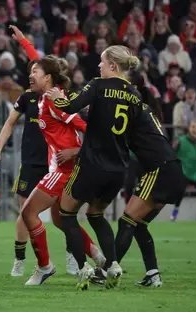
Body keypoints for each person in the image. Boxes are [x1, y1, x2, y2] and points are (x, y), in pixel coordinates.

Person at [0, 26, 103, 278]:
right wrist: (23, 42)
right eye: (31, 70)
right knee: (59, 218)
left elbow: (89, 128)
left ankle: (48, 266)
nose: (30, 73)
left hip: (63, 168)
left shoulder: (56, 99)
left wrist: (77, 150)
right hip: (46, 164)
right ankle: (99, 258)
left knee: (33, 213)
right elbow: (39, 63)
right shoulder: (39, 97)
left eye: (35, 71)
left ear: (49, 77)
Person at [46, 45, 141, 290]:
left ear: (112, 66)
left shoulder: (98, 85)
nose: (98, 66)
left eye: (101, 62)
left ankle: (83, 268)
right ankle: (113, 265)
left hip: (92, 164)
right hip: (119, 168)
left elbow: (70, 106)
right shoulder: (134, 94)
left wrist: (55, 95)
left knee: (65, 213)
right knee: (95, 214)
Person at [111, 85, 186, 289]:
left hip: (160, 171)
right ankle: (153, 274)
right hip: (171, 169)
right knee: (138, 224)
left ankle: (107, 270)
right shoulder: (147, 112)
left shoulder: (133, 113)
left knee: (127, 220)